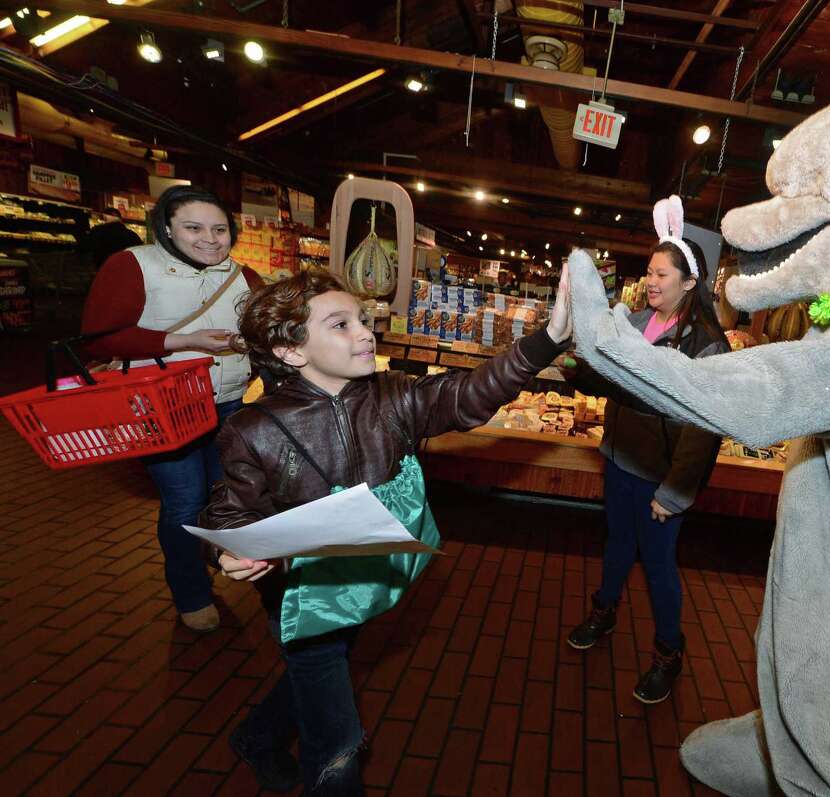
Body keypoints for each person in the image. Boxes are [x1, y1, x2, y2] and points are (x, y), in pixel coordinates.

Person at [198, 265, 571, 794]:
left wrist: (547, 340)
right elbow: (229, 513)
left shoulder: (392, 395)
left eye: (361, 318)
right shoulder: (252, 429)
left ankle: (259, 736)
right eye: (340, 324)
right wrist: (230, 553)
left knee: (325, 669)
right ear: (290, 351)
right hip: (304, 595)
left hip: (367, 578)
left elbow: (466, 395)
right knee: (339, 740)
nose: (364, 332)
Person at [565, 196, 729, 704]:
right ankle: (604, 611)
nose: (652, 281)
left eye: (662, 273)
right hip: (619, 460)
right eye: (649, 271)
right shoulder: (634, 324)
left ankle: (668, 653)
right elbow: (609, 382)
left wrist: (676, 491)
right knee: (616, 545)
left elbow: (703, 429)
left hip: (662, 482)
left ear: (689, 282)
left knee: (658, 567)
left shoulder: (706, 346)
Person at [82, 185, 259, 633]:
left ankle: (213, 557)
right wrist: (184, 341)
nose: (210, 239)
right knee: (184, 499)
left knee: (225, 494)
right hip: (160, 408)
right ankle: (190, 592)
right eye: (194, 227)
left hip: (229, 402)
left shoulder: (242, 275)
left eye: (220, 229)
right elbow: (98, 338)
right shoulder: (131, 266)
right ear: (166, 227)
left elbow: (265, 327)